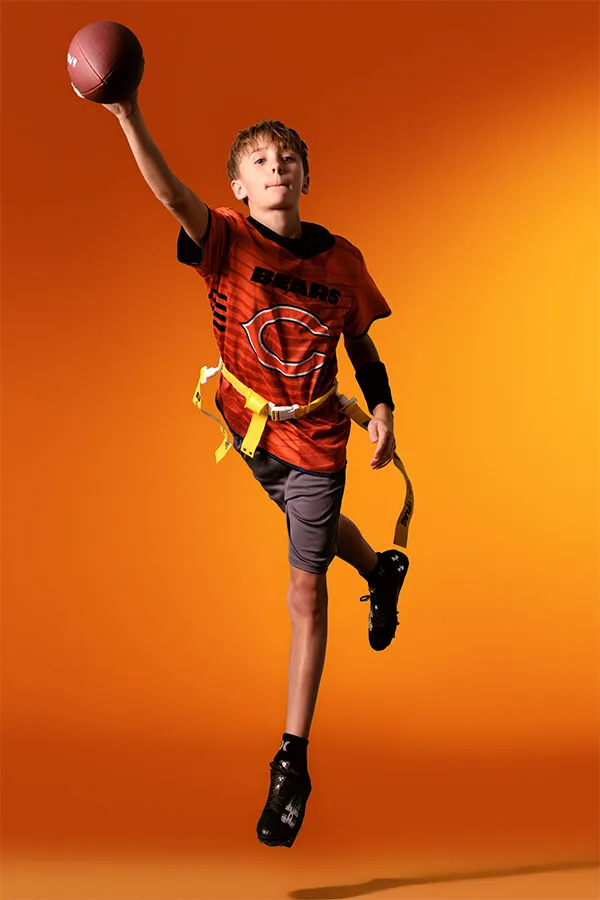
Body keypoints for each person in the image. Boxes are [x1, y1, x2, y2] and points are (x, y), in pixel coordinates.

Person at [96, 89, 410, 848]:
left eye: (288, 159)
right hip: (246, 430)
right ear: (239, 185)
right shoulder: (225, 242)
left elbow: (362, 344)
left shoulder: (342, 263)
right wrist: (128, 112)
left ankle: (292, 761)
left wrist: (387, 411)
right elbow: (171, 193)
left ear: (306, 176)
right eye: (261, 162)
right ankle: (384, 569)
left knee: (305, 586)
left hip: (316, 440)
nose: (277, 169)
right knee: (321, 530)